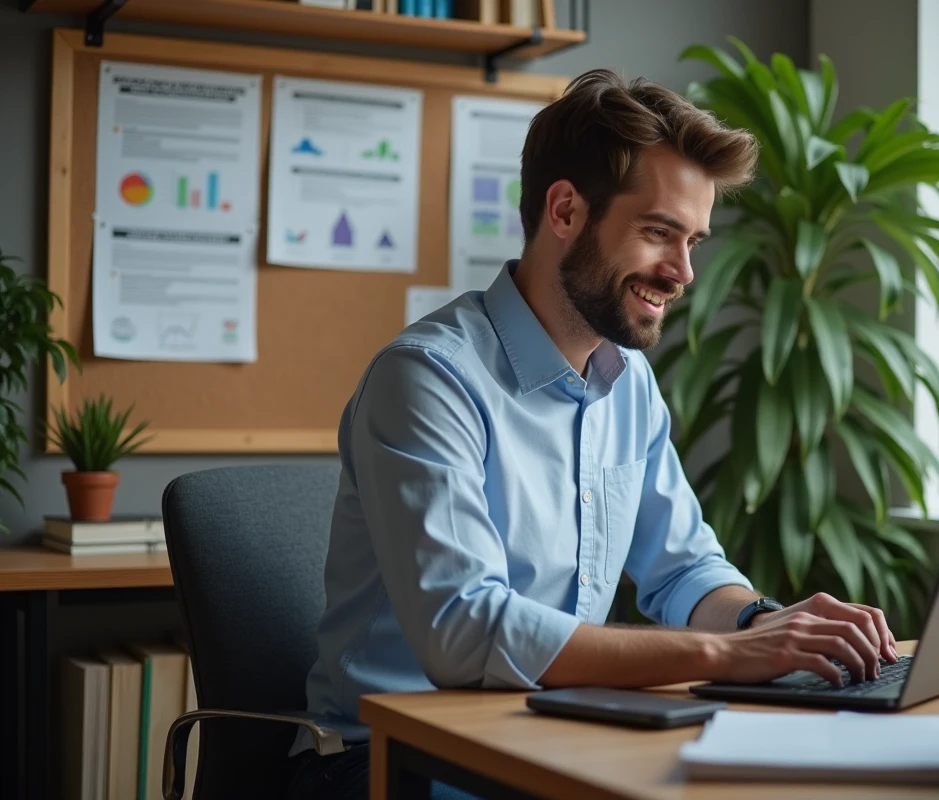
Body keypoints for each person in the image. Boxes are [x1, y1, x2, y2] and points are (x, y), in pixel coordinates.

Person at [287, 68, 898, 800]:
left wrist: (771, 624)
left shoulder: (626, 382)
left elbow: (682, 570)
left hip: (546, 731)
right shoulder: (426, 380)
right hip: (383, 758)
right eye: (658, 233)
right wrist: (729, 653)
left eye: (694, 241)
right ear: (566, 210)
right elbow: (463, 631)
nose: (682, 272)